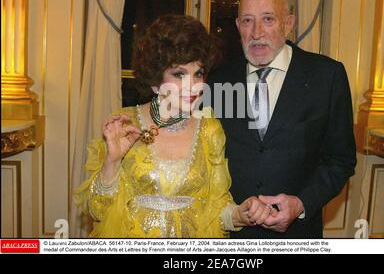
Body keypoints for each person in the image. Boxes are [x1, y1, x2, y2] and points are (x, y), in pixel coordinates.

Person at [74, 14, 276, 238]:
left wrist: (240, 214)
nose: (193, 86)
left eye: (198, 73)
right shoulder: (124, 123)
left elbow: (215, 210)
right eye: (179, 74)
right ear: (154, 78)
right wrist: (112, 161)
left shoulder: (210, 130)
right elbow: (97, 210)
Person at [207, 0, 357, 238]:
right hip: (233, 237)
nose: (256, 33)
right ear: (237, 26)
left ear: (288, 24)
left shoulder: (326, 76)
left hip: (298, 234)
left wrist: (301, 203)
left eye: (268, 19)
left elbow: (340, 161)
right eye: (247, 21)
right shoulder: (219, 79)